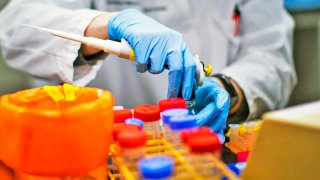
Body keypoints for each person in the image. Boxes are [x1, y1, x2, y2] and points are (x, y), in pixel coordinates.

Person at [0, 0, 297, 141]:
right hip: (107, 146)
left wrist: (230, 90)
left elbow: (271, 55)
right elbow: (15, 25)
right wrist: (104, 25)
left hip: (212, 143)